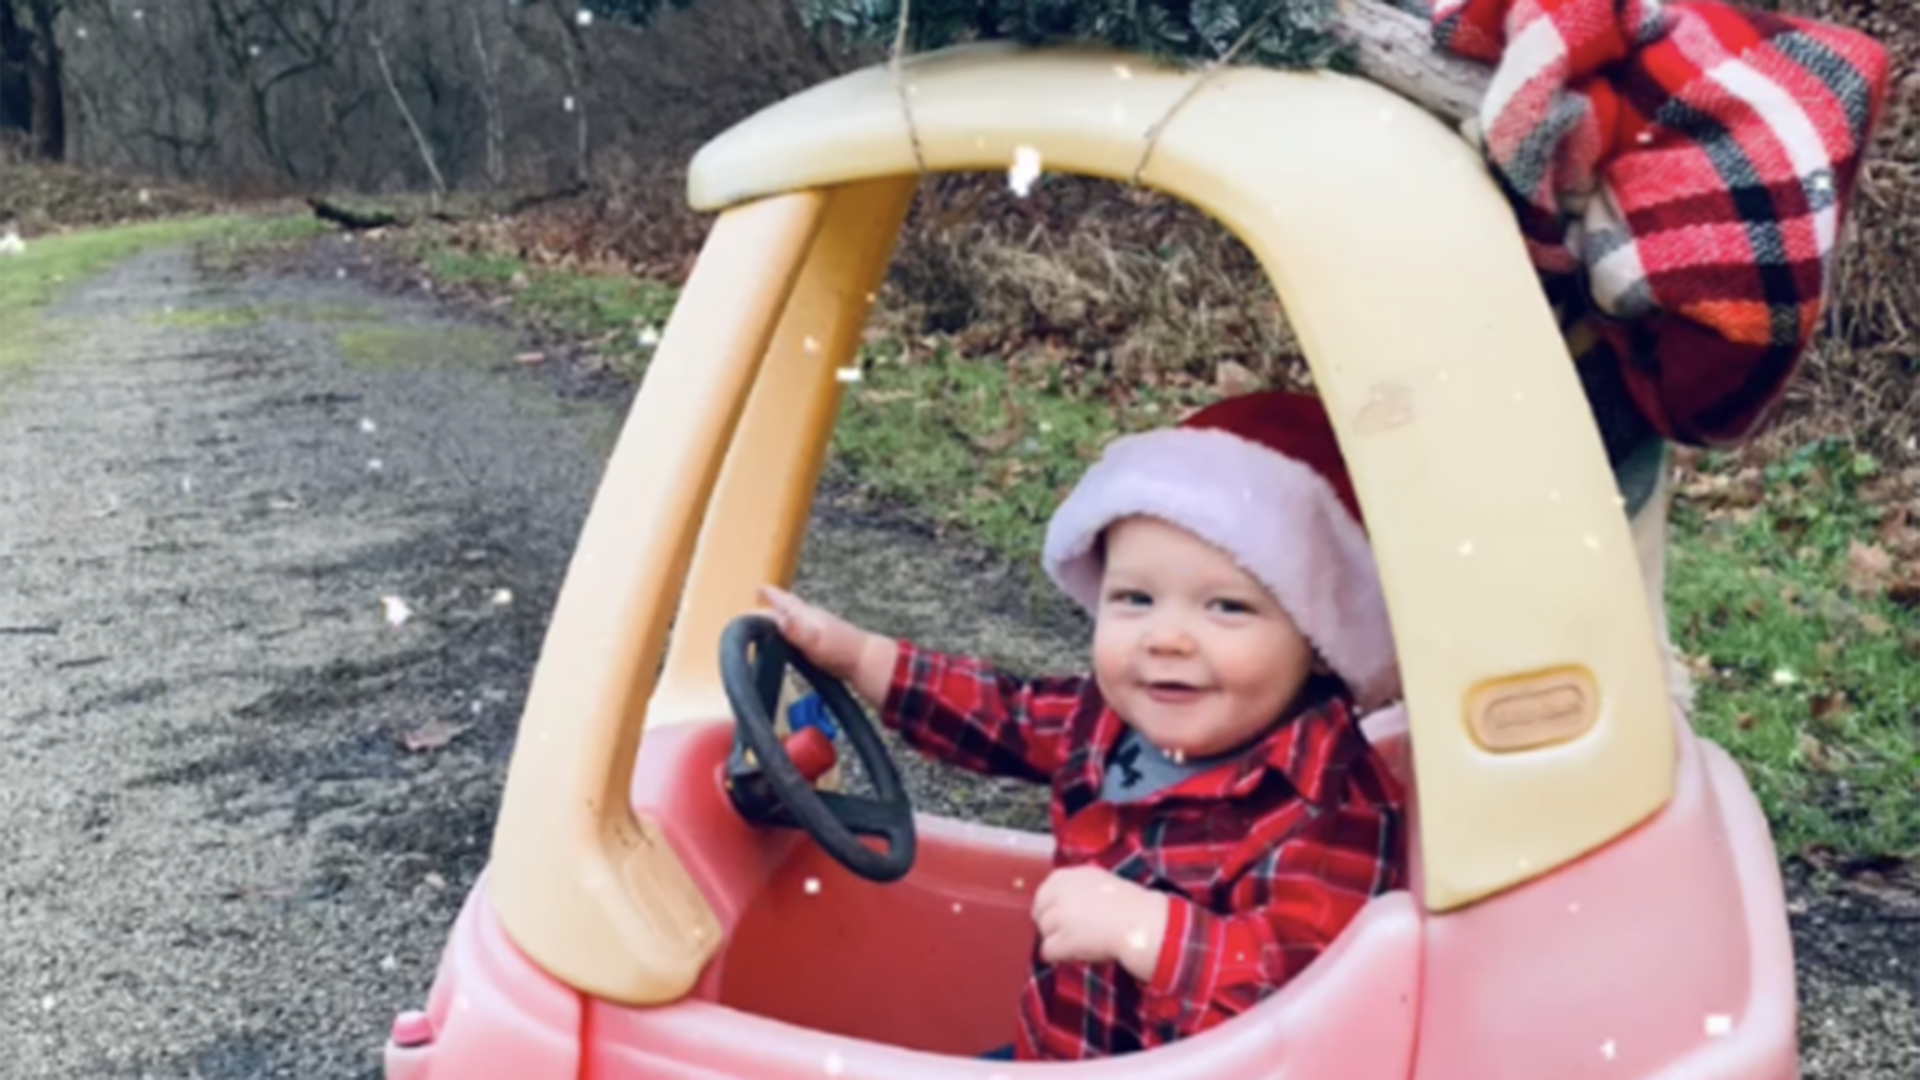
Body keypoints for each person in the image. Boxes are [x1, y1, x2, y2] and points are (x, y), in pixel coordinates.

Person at [757, 390, 1407, 1062]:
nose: (1167, 638)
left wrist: (1150, 935)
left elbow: (1325, 1016)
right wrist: (862, 657)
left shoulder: (1328, 805)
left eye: (1227, 607)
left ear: (1316, 636)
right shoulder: (1107, 722)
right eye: (1135, 599)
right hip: (1060, 1050)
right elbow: (999, 714)